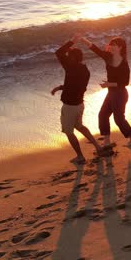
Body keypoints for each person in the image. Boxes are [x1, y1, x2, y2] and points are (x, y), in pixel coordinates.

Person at [51, 36, 103, 164]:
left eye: (69, 56)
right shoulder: (85, 70)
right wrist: (60, 87)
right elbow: (75, 86)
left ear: (73, 58)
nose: (66, 57)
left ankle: (80, 156)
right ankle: (98, 147)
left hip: (70, 106)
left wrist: (72, 40)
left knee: (69, 131)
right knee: (79, 126)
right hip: (80, 104)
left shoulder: (70, 67)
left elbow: (58, 52)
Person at [79, 36, 131, 148]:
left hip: (120, 94)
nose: (111, 46)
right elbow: (95, 48)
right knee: (103, 115)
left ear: (120, 47)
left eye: (114, 45)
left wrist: (108, 84)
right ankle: (107, 140)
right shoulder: (108, 57)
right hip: (111, 93)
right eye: (110, 44)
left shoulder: (124, 64)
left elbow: (125, 82)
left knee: (118, 118)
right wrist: (83, 40)